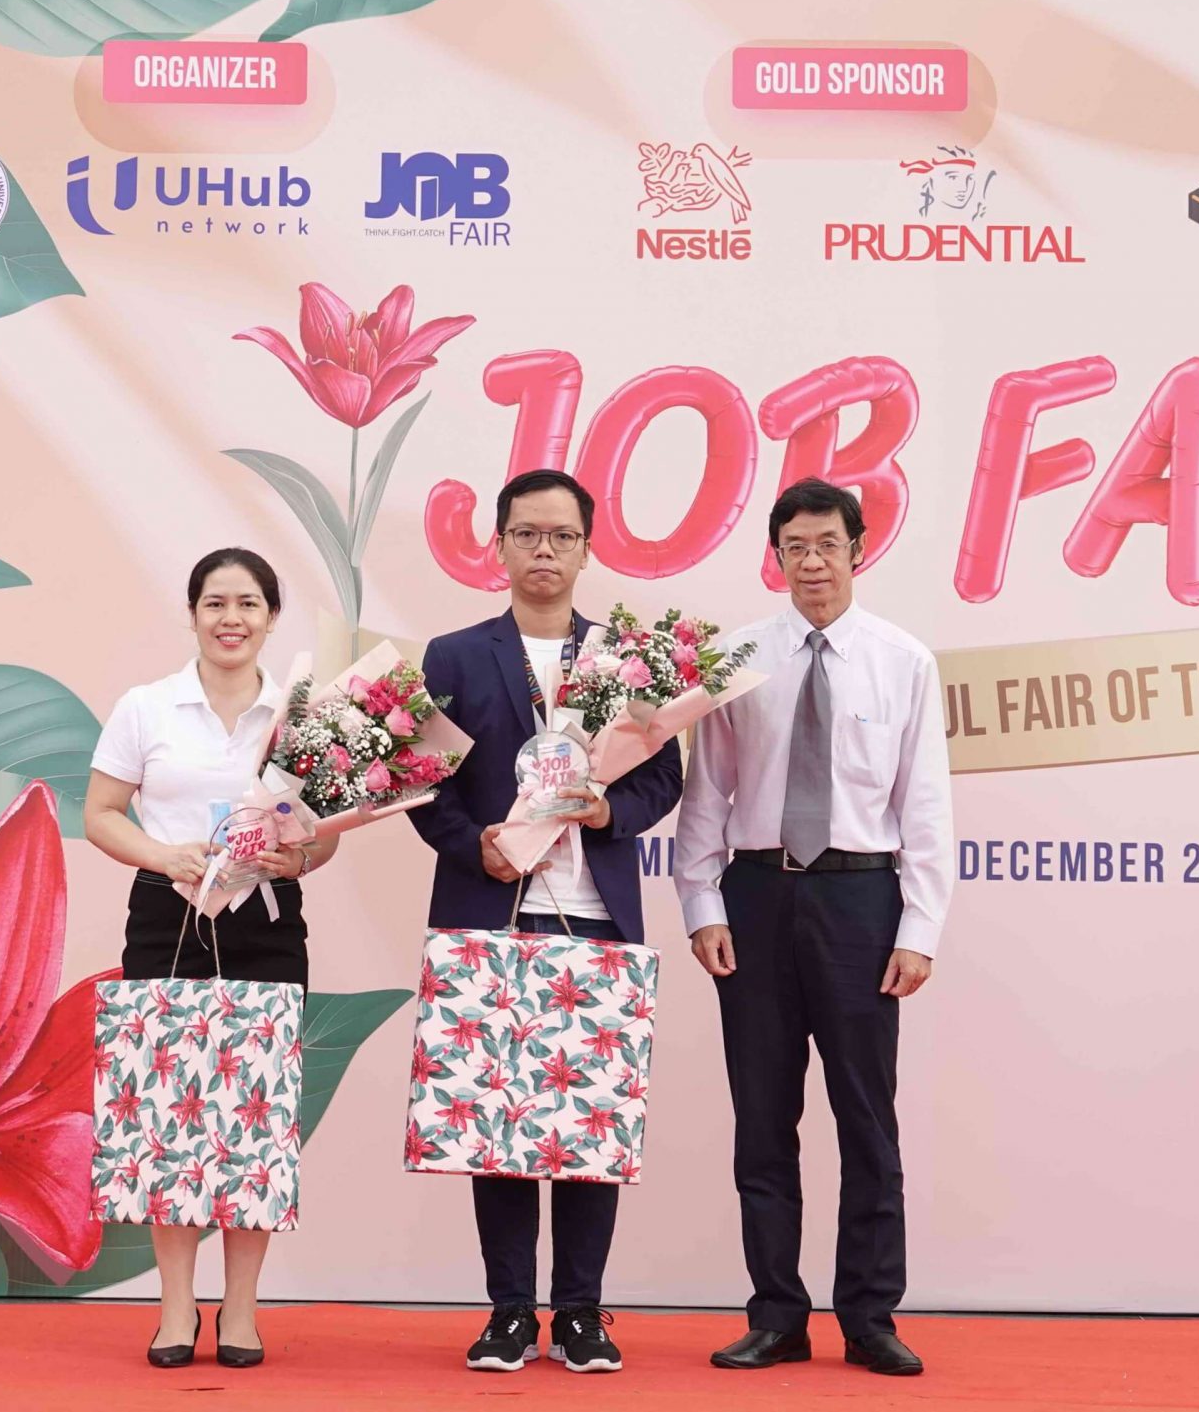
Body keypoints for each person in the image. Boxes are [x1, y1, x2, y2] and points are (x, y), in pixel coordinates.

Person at [671, 477, 955, 1379]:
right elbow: (706, 792)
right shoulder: (738, 659)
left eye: (828, 544)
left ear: (858, 550)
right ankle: (776, 1315)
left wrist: (920, 927)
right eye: (795, 547)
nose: (813, 562)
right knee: (763, 1119)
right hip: (757, 896)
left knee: (867, 1119)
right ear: (777, 556)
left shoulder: (903, 660)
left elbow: (926, 804)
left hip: (861, 902)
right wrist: (703, 906)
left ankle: (869, 1316)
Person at [407, 468, 685, 1375]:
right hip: (493, 908)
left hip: (596, 914)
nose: (544, 551)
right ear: (498, 544)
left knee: (589, 1120)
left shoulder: (627, 660)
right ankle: (508, 1311)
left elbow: (662, 776)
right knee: (497, 1120)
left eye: (562, 536)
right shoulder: (453, 656)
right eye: (527, 533)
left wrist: (610, 812)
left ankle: (581, 1313)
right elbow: (421, 784)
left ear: (586, 550)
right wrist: (473, 847)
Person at [83, 547, 340, 1371]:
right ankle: (174, 1306)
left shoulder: (302, 714)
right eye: (216, 603)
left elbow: (325, 836)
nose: (232, 618)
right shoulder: (147, 706)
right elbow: (100, 813)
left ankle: (241, 1308)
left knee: (255, 1115)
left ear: (272, 616)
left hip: (266, 919)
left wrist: (296, 857)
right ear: (193, 613)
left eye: (249, 603)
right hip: (169, 917)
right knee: (168, 1114)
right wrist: (165, 855)